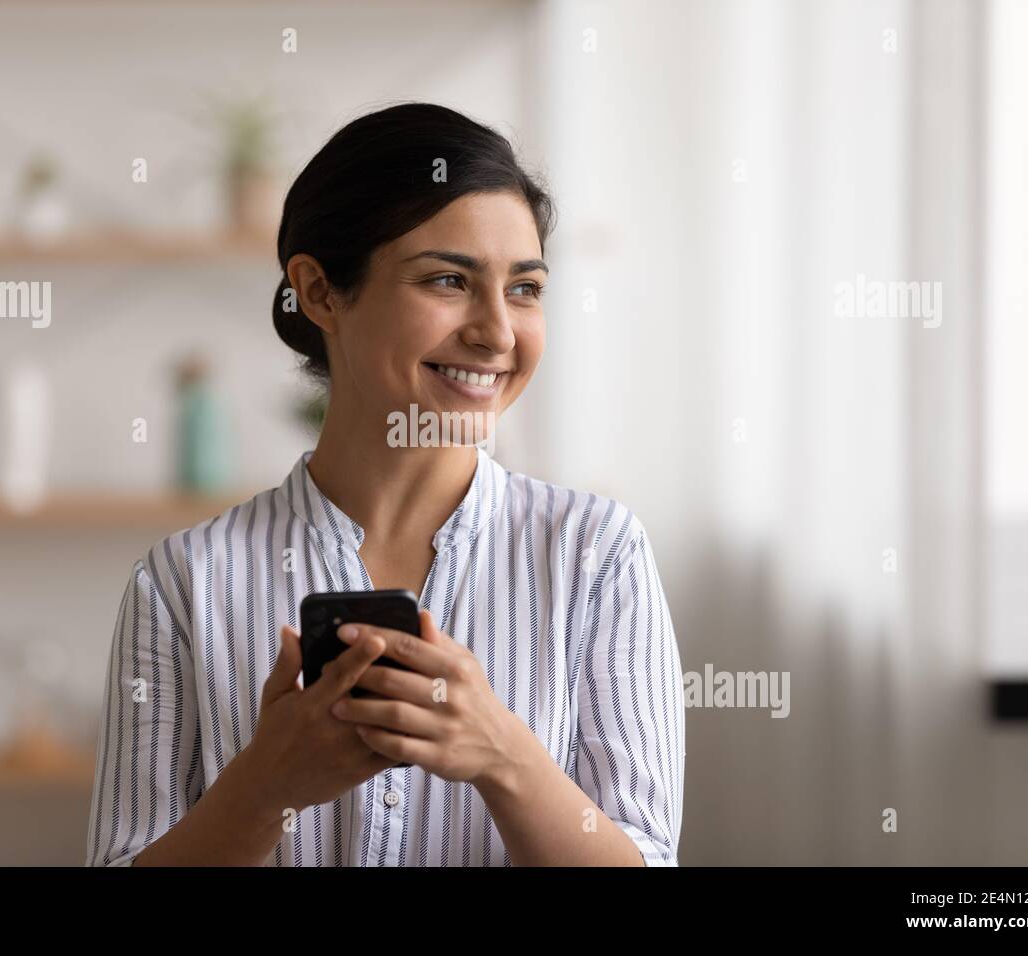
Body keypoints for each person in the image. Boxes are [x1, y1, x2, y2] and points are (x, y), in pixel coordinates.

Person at [85, 102, 684, 866]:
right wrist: (264, 788)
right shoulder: (182, 583)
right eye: (448, 280)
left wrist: (504, 758)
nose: (498, 332)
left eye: (525, 289)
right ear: (322, 292)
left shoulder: (597, 557)